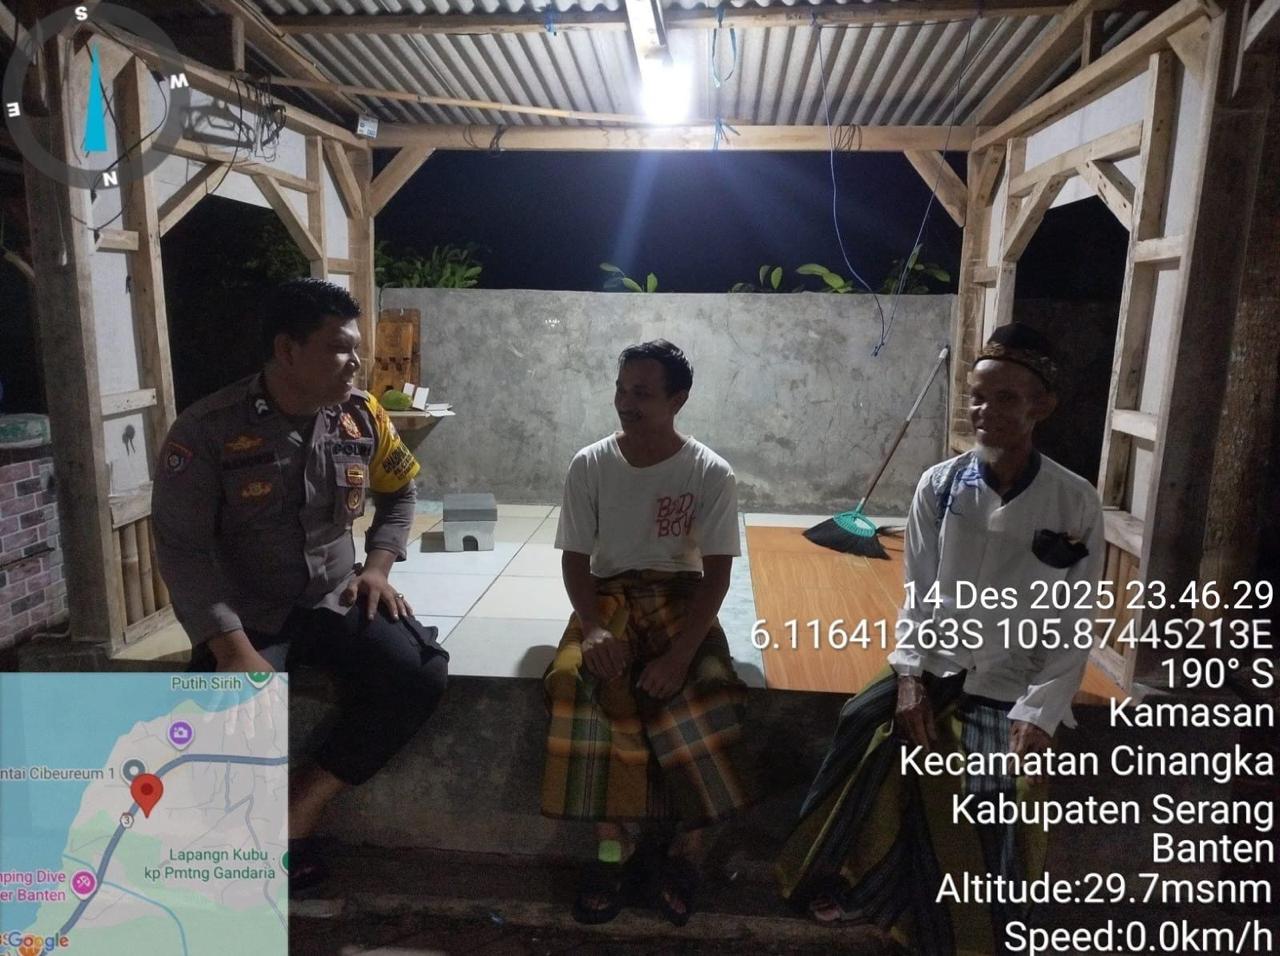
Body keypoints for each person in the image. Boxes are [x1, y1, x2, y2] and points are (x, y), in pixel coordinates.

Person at [777, 323, 1104, 955]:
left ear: (1041, 406)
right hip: (936, 661)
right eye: (977, 397)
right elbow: (919, 594)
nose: (984, 411)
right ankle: (856, 880)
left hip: (1012, 678)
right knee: (865, 725)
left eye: (1005, 398)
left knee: (1000, 791)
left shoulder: (1073, 501)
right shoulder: (940, 485)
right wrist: (908, 677)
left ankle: (960, 922)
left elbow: (1074, 618)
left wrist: (1039, 714)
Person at [152, 278, 448, 892]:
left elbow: (400, 493)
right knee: (223, 720)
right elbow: (183, 549)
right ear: (287, 350)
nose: (356, 362)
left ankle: (299, 810)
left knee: (417, 673)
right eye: (340, 348)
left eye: (355, 348)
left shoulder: (362, 416)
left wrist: (378, 567)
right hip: (248, 612)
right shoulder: (206, 430)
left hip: (336, 595)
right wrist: (230, 647)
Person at [541, 339, 753, 926]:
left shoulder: (709, 472)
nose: (625, 403)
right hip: (607, 598)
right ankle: (613, 847)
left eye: (642, 393)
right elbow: (575, 560)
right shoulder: (590, 464)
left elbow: (716, 575)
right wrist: (592, 629)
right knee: (575, 682)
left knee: (708, 686)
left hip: (679, 597)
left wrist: (681, 655)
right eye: (621, 389)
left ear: (677, 400)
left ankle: (689, 849)